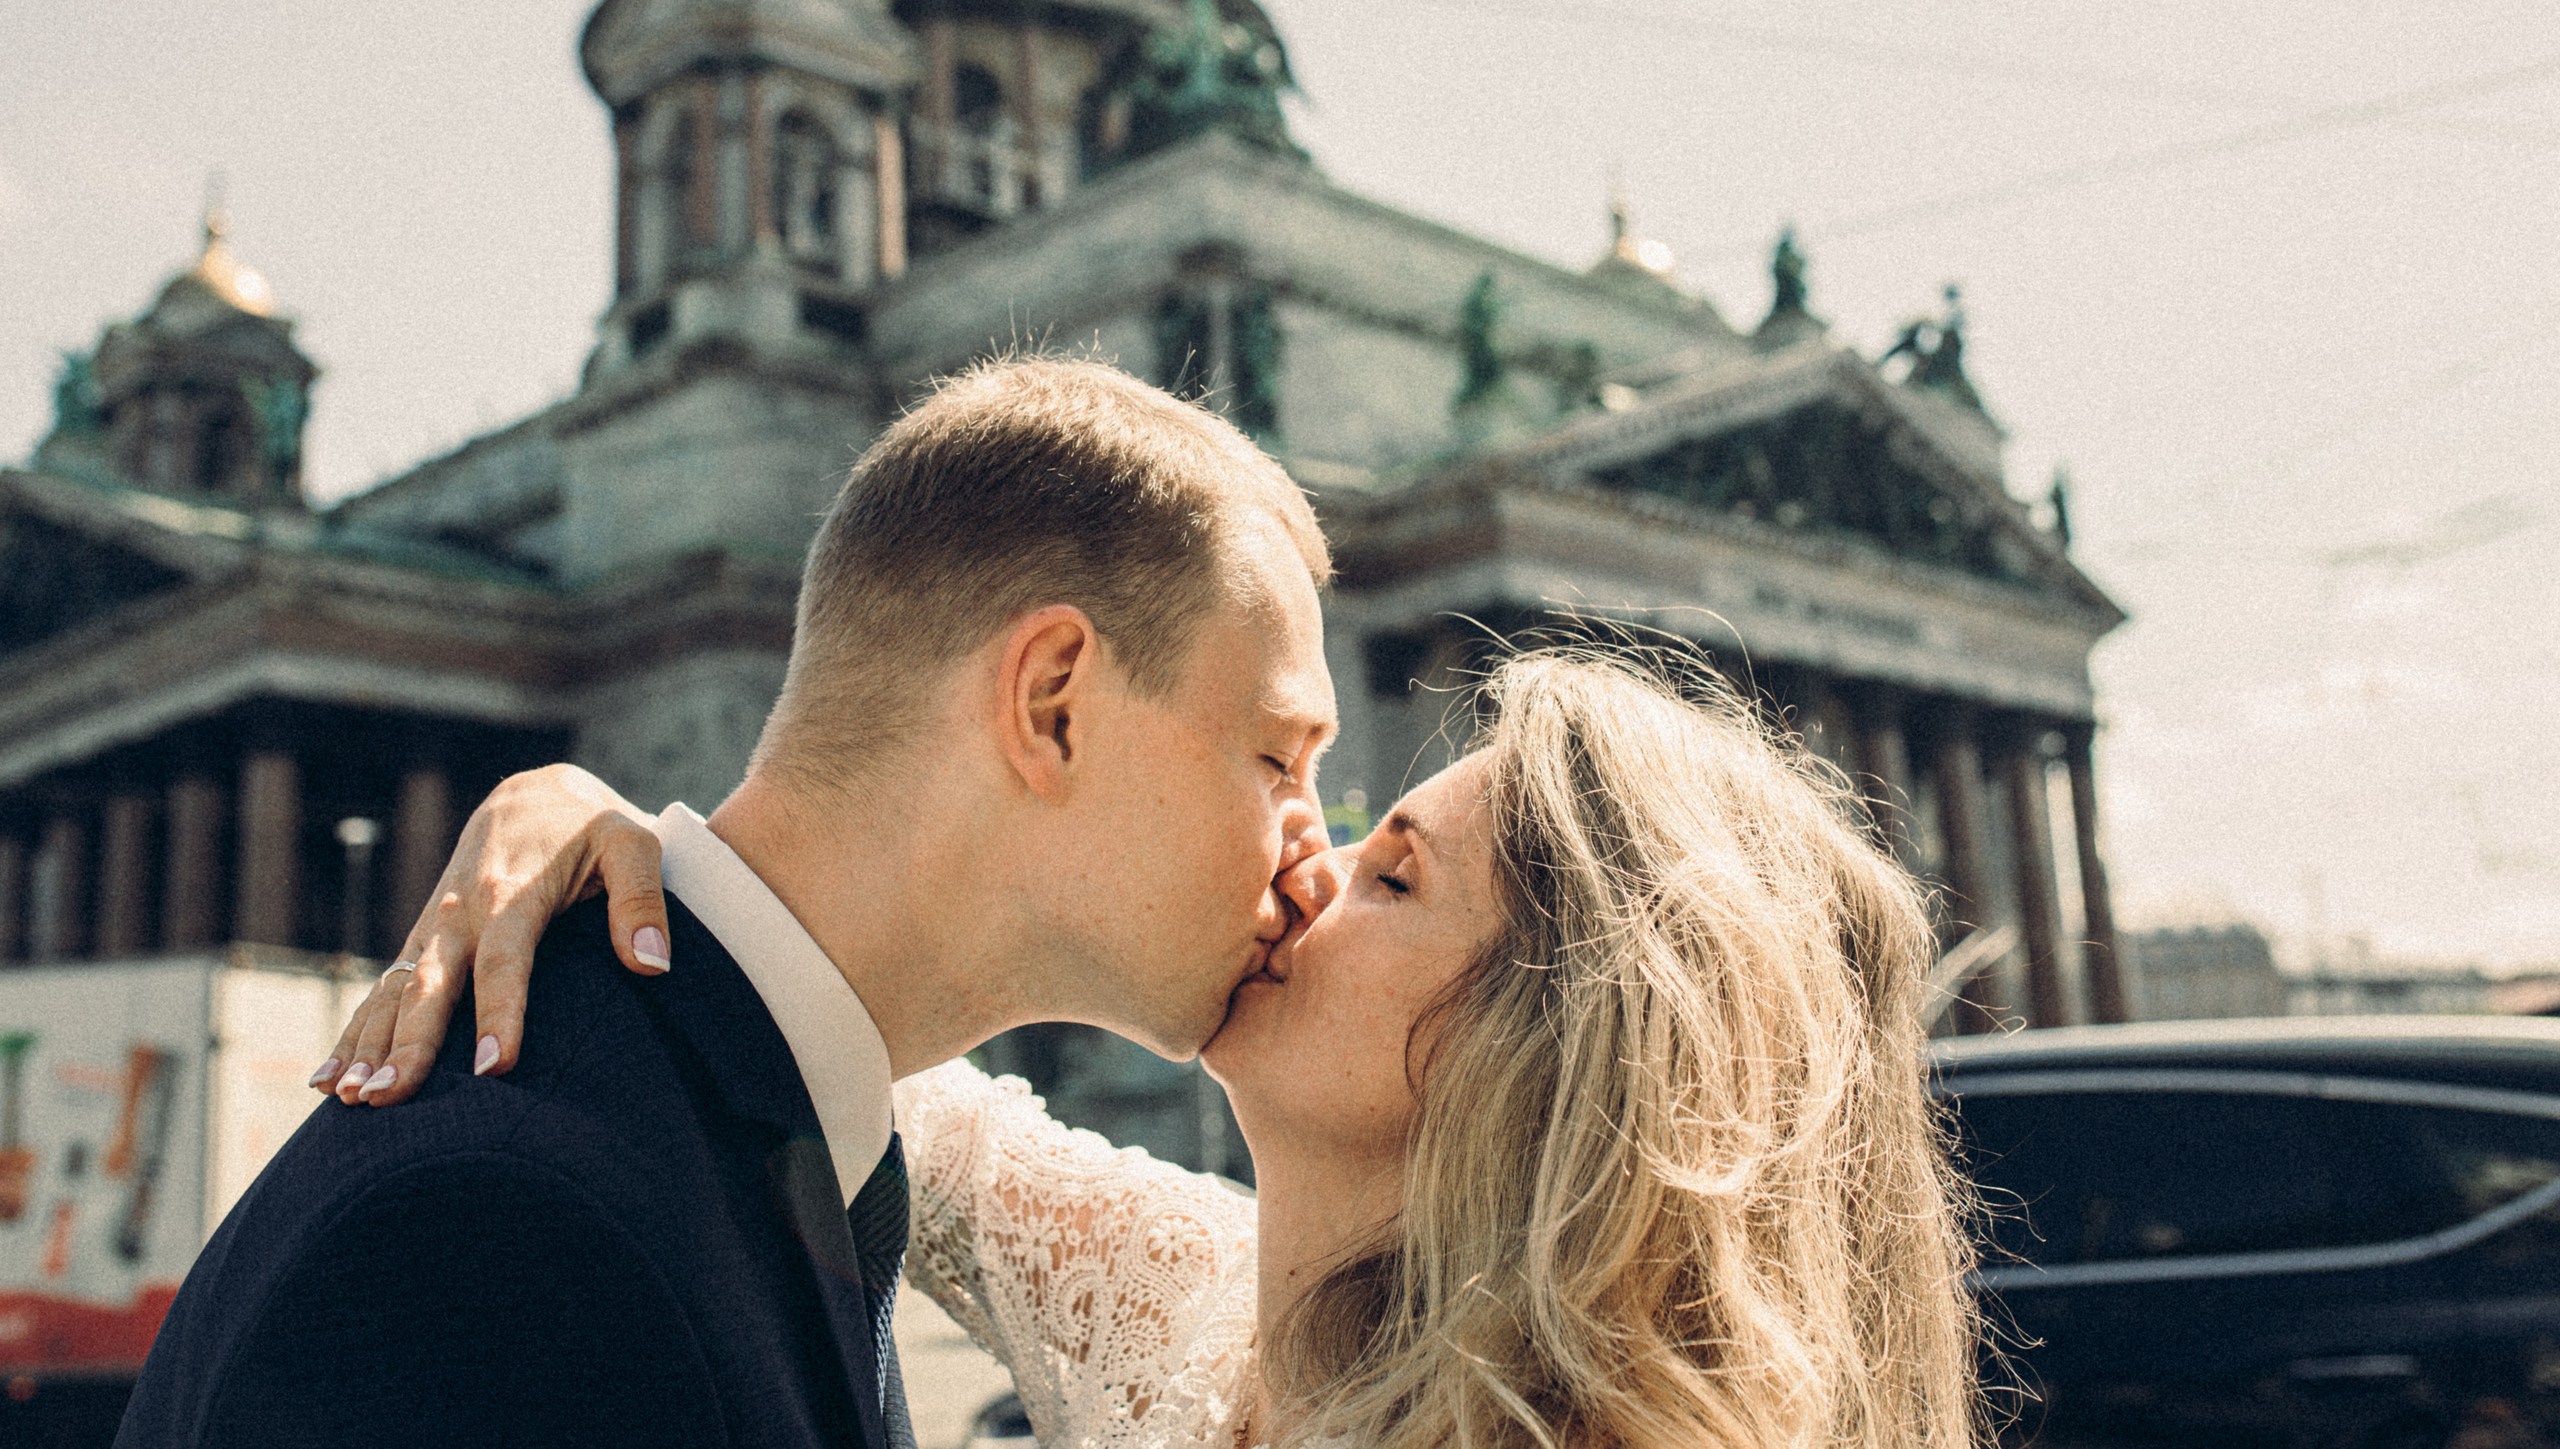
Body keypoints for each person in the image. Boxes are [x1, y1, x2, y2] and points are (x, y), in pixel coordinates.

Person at [115, 358, 1338, 1449]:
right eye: (1279, 758)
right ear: (1052, 704)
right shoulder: (512, 1231)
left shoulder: (739, 1127)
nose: (1314, 852)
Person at [329, 651, 1984, 1449]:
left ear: (1548, 1051)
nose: (1305, 865)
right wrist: (596, 823)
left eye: (1393, 872)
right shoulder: (1192, 1300)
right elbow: (860, 1055)